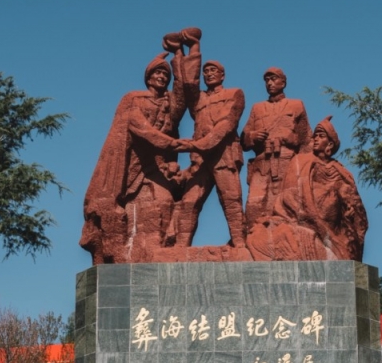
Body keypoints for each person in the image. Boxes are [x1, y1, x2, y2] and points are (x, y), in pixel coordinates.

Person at [80, 46, 189, 265]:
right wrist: (181, 145)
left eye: (165, 75)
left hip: (154, 168)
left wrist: (180, 56)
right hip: (130, 170)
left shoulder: (167, 103)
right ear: (148, 77)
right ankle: (118, 254)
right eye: (157, 73)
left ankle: (158, 253)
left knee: (165, 201)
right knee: (123, 215)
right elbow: (144, 131)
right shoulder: (134, 99)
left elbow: (182, 92)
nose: (161, 77)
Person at [250, 116, 367, 261]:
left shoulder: (341, 173)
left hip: (331, 229)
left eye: (321, 136)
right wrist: (307, 214)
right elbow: (288, 196)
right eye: (315, 136)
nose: (316, 139)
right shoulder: (300, 162)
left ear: (330, 144)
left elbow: (355, 208)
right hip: (301, 220)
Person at [172, 57, 246, 248]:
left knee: (231, 200)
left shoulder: (234, 94)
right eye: (206, 71)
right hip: (201, 159)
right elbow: (189, 82)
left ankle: (240, 245)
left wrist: (196, 145)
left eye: (213, 70)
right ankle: (180, 248)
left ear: (223, 75)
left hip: (223, 155)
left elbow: (226, 125)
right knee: (189, 202)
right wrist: (187, 50)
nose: (209, 74)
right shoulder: (200, 99)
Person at [241, 66, 311, 233]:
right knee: (254, 204)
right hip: (262, 162)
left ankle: (283, 238)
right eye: (267, 81)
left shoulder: (296, 105)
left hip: (286, 161)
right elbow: (243, 139)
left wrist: (304, 170)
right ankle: (253, 238)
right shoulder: (257, 108)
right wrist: (252, 136)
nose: (270, 83)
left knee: (283, 204)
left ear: (283, 82)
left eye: (273, 79)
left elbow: (306, 140)